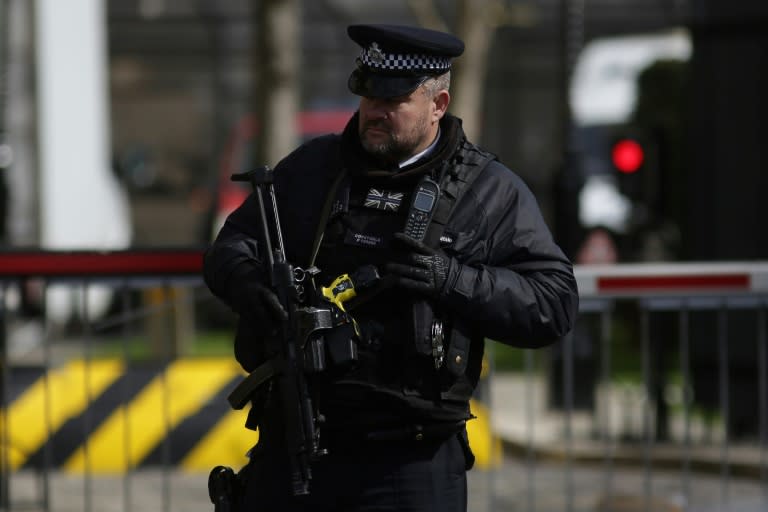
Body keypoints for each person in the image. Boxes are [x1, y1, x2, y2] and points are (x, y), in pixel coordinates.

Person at [204, 23, 579, 512]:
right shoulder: (313, 169)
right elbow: (231, 246)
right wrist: (248, 283)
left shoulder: (488, 191)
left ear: (438, 105)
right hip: (299, 443)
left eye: (394, 101)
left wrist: (452, 279)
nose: (375, 112)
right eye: (368, 96)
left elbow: (553, 302)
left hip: (412, 461)